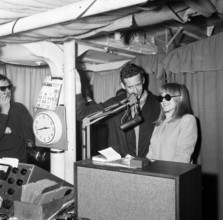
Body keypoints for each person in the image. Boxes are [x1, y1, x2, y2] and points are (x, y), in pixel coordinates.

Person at [76, 63, 160, 158]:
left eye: (138, 85)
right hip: (121, 166)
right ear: (123, 86)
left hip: (147, 165)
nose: (135, 91)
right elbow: (83, 115)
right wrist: (77, 89)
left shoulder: (157, 105)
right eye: (130, 87)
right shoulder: (116, 104)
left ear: (143, 80)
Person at [146, 83, 197, 163]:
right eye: (161, 98)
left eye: (167, 97)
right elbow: (150, 155)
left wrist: (167, 173)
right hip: (157, 173)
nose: (163, 100)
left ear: (180, 98)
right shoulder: (159, 124)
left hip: (176, 173)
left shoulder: (187, 120)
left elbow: (183, 156)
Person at [0, 74, 34, 163]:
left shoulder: (19, 108)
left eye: (9, 87)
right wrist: (4, 112)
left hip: (19, 162)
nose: (8, 90)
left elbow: (30, 136)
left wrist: (10, 131)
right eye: (3, 88)